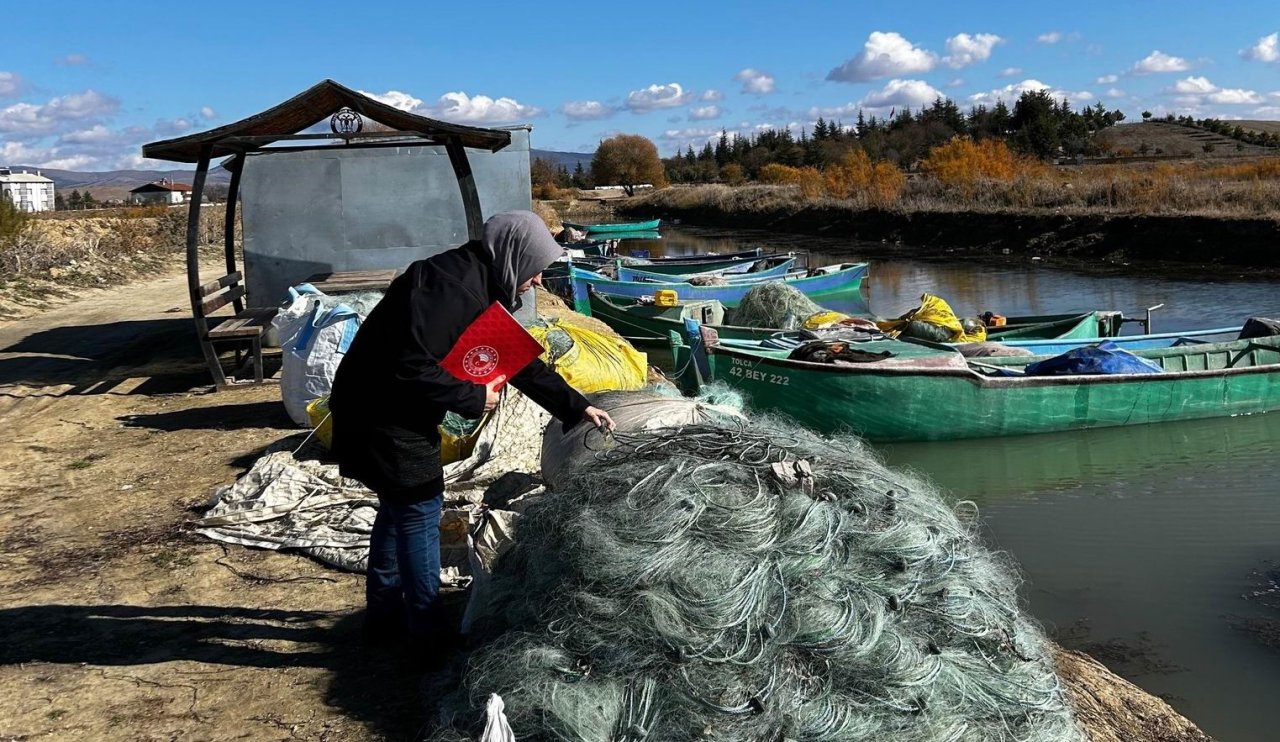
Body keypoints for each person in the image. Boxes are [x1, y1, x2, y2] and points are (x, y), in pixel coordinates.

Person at [328, 210, 615, 651]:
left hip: (386, 409)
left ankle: (384, 619)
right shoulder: (452, 289)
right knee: (421, 508)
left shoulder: (478, 280)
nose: (538, 281)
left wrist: (578, 408)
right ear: (515, 256)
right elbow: (408, 364)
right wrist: (471, 396)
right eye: (536, 269)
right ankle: (426, 636)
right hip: (380, 415)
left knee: (398, 507)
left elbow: (516, 360)